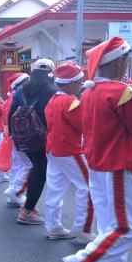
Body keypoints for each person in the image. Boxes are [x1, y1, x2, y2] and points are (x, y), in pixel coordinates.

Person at [62, 37, 132, 262]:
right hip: (116, 164)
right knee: (129, 227)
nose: (128, 64)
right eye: (126, 59)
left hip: (97, 163)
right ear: (118, 62)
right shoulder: (121, 92)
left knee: (109, 225)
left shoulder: (90, 91)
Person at [43, 62, 95, 242]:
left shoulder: (53, 100)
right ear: (72, 83)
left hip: (53, 149)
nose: (81, 85)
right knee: (89, 186)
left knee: (55, 189)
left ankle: (53, 226)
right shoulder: (70, 102)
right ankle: (83, 228)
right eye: (80, 82)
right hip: (69, 149)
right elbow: (83, 125)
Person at [9, 59, 57, 224]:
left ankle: (27, 203)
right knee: (40, 173)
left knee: (35, 169)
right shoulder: (53, 91)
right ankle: (27, 211)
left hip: (23, 136)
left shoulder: (21, 90)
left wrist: (13, 134)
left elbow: (12, 113)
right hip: (43, 137)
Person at [2, 73, 31, 206]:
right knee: (28, 165)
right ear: (20, 84)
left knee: (17, 165)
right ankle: (15, 192)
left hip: (13, 134)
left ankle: (13, 195)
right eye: (27, 80)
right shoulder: (17, 96)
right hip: (18, 134)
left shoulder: (13, 97)